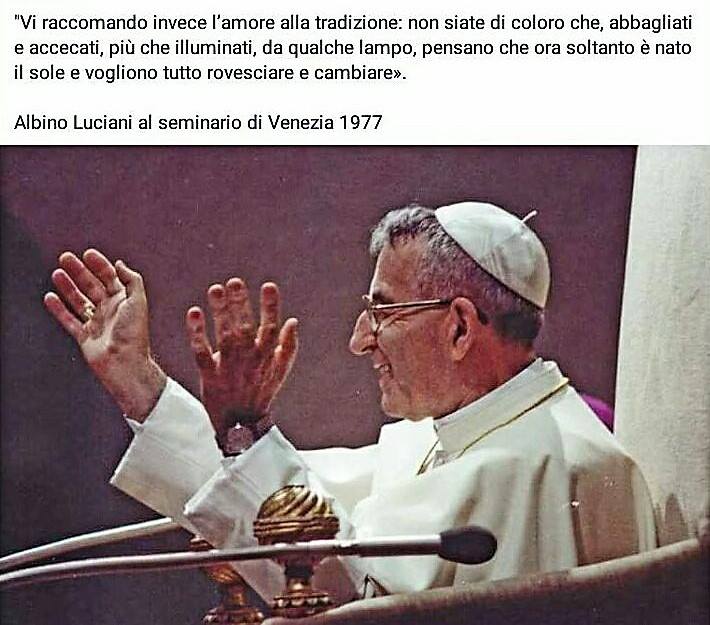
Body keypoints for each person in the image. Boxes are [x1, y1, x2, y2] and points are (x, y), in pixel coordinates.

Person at [44, 201, 656, 602]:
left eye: (382, 311)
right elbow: (306, 516)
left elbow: (338, 591)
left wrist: (242, 430)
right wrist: (140, 384)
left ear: (460, 327)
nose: (361, 340)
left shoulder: (545, 469)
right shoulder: (443, 436)